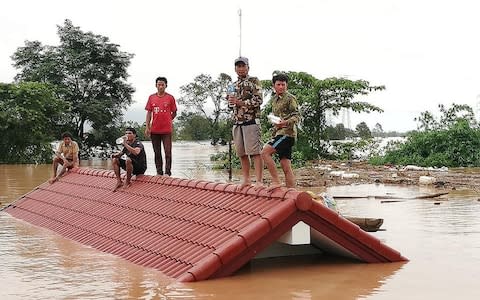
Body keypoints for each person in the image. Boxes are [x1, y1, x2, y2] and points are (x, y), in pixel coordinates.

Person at [227, 57, 263, 189]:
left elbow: (258, 100)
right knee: (241, 153)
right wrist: (231, 102)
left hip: (251, 121)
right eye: (238, 66)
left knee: (255, 152)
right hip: (237, 122)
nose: (241, 69)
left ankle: (259, 181)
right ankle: (246, 179)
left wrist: (240, 102)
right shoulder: (232, 85)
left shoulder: (254, 81)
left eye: (243, 66)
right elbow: (230, 104)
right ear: (235, 68)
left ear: (248, 67)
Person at [261, 73, 300, 189]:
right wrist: (276, 125)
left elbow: (297, 116)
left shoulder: (290, 98)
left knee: (264, 152)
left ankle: (276, 181)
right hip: (279, 133)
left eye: (283, 84)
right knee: (286, 166)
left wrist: (285, 123)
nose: (281, 87)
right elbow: (278, 119)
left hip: (287, 134)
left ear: (286, 85)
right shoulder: (274, 100)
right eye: (279, 84)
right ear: (274, 86)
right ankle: (292, 192)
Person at [145, 76, 177, 176]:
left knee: (168, 152)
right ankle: (159, 172)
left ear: (166, 86)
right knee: (157, 152)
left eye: (162, 84)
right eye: (159, 84)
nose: (160, 86)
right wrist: (147, 127)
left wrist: (168, 119)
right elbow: (149, 113)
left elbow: (174, 112)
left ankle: (167, 172)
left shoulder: (170, 98)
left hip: (166, 130)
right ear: (156, 85)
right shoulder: (151, 97)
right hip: (154, 130)